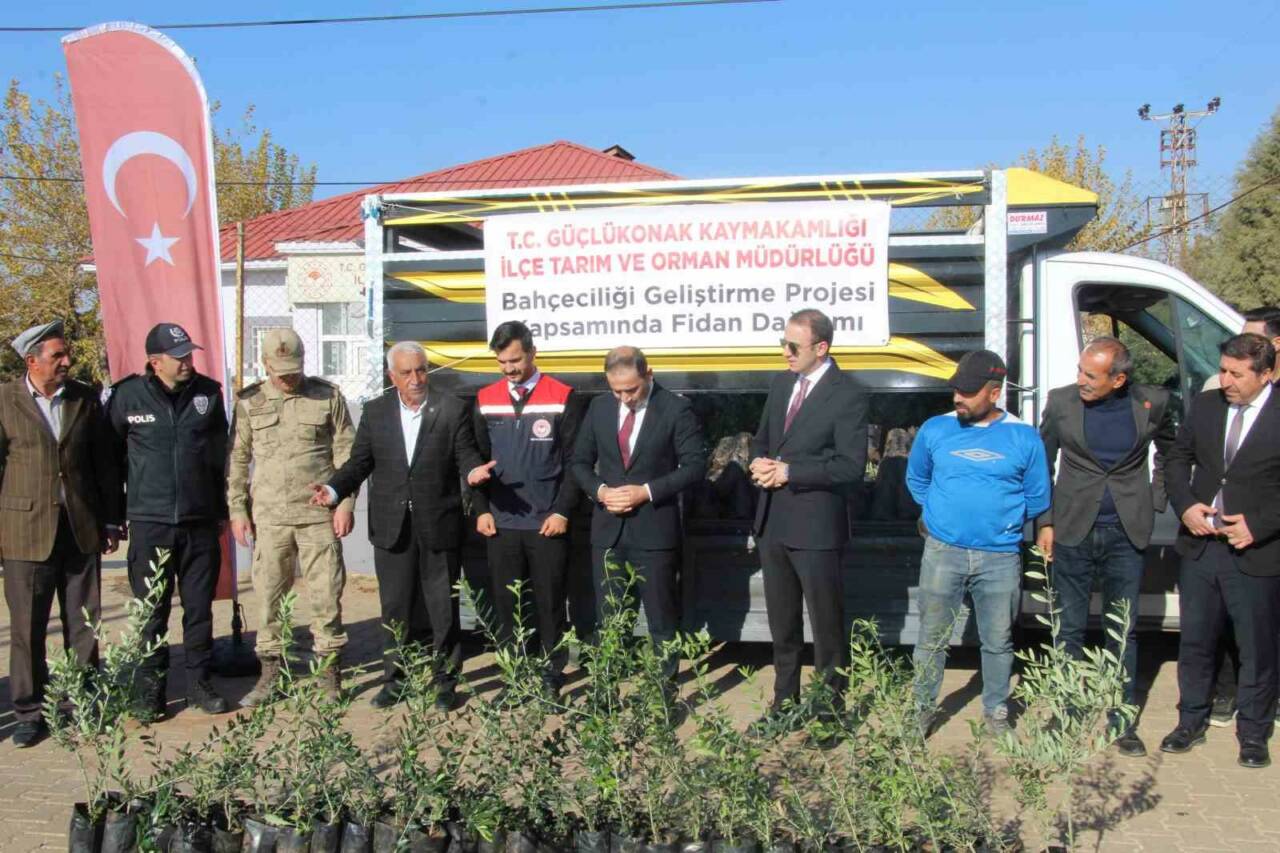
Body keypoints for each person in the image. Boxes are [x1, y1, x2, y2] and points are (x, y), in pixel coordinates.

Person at [310, 341, 486, 711]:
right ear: (393, 376)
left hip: (438, 525)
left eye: (421, 370)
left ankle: (444, 683)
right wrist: (332, 488)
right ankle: (396, 681)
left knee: (443, 609)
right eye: (406, 372)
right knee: (395, 608)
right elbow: (359, 463)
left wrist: (472, 471)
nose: (416, 378)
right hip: (392, 529)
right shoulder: (376, 412)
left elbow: (466, 454)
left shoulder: (452, 409)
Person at [1036, 337, 1176, 758]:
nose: (1080, 380)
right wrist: (1044, 522)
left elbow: (1170, 453)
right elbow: (1041, 463)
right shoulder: (1061, 403)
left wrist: (1154, 501)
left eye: (1089, 375)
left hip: (1126, 532)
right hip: (1072, 529)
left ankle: (1121, 718)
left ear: (1118, 379)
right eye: (1080, 370)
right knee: (1069, 627)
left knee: (1122, 630)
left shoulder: (1153, 403)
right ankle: (1065, 710)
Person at [906, 350, 1050, 736]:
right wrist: (939, 515)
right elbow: (917, 480)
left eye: (968, 392)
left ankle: (996, 712)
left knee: (998, 641)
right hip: (942, 552)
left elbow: (1038, 496)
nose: (958, 398)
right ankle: (921, 709)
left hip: (1000, 556)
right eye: (956, 389)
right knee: (931, 638)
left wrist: (1001, 523)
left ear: (995, 392)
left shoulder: (1024, 437)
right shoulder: (935, 429)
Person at [1160, 333, 1280, 769]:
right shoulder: (1208, 406)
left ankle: (1253, 733)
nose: (1225, 380)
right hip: (1201, 546)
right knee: (1196, 640)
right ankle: (1190, 720)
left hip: (1256, 550)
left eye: (1236, 373)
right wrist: (1186, 505)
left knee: (1256, 647)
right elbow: (1176, 459)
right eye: (1224, 369)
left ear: (1266, 374)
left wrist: (1259, 524)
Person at [0, 321, 121, 747]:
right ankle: (30, 712)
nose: (67, 361)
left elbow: (104, 463)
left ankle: (81, 703)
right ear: (32, 361)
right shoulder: (4, 400)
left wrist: (110, 518)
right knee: (27, 628)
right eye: (58, 356)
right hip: (23, 533)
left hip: (81, 529)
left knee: (84, 623)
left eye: (66, 354)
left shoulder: (86, 399)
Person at [106, 323, 231, 717]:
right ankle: (150, 691)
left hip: (199, 522)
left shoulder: (208, 394)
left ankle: (198, 683)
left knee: (199, 609)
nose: (187, 363)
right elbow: (109, 462)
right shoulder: (126, 396)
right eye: (179, 357)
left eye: (189, 355)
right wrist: (113, 516)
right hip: (150, 521)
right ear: (155, 361)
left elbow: (220, 458)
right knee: (151, 612)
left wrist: (223, 511)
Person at [749, 308, 868, 722]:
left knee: (826, 626)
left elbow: (850, 466)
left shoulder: (848, 394)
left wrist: (790, 471)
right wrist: (759, 464)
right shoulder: (782, 384)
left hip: (816, 527)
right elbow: (762, 439)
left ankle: (829, 710)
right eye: (782, 343)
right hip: (774, 523)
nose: (785, 352)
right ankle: (783, 704)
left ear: (822, 347)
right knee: (782, 625)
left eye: (792, 346)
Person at [227, 328, 357, 705]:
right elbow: (237, 460)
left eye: (294, 368)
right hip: (269, 517)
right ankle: (271, 672)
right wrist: (237, 509)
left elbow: (347, 453)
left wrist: (345, 503)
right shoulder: (249, 402)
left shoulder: (327, 396)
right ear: (265, 364)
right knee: (268, 596)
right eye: (280, 370)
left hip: (318, 515)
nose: (288, 377)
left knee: (326, 594)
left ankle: (329, 672)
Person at [569, 346, 706, 696]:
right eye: (617, 390)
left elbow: (694, 466)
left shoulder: (676, 409)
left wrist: (646, 491)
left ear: (649, 374)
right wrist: (599, 491)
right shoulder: (599, 408)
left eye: (631, 389)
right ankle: (606, 696)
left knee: (661, 620)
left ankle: (663, 697)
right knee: (610, 620)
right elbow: (579, 462)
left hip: (654, 532)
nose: (625, 398)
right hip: (608, 532)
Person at [465, 321, 582, 697]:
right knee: (506, 603)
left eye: (515, 360)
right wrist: (481, 508)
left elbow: (576, 462)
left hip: (547, 521)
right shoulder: (485, 399)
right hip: (500, 523)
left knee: (549, 602)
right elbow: (476, 459)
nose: (509, 368)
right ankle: (513, 675)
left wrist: (562, 511)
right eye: (502, 362)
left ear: (532, 352)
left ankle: (552, 673)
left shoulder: (563, 395)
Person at [1203, 306, 1280, 728]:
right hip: (1232, 538)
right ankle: (1229, 694)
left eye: (1253, 339)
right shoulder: (1219, 398)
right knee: (1236, 624)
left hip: (1266, 532)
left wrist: (1262, 522)